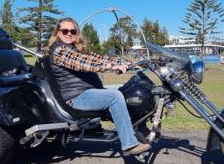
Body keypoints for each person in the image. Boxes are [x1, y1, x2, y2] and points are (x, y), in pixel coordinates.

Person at [46, 17, 150, 155]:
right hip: (77, 97)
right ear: (58, 33)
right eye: (65, 31)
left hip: (89, 92)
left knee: (130, 91)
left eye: (73, 31)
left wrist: (127, 62)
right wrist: (110, 66)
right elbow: (84, 63)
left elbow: (98, 57)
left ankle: (141, 130)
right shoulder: (60, 50)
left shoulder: (76, 49)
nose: (69, 33)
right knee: (115, 96)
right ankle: (129, 144)